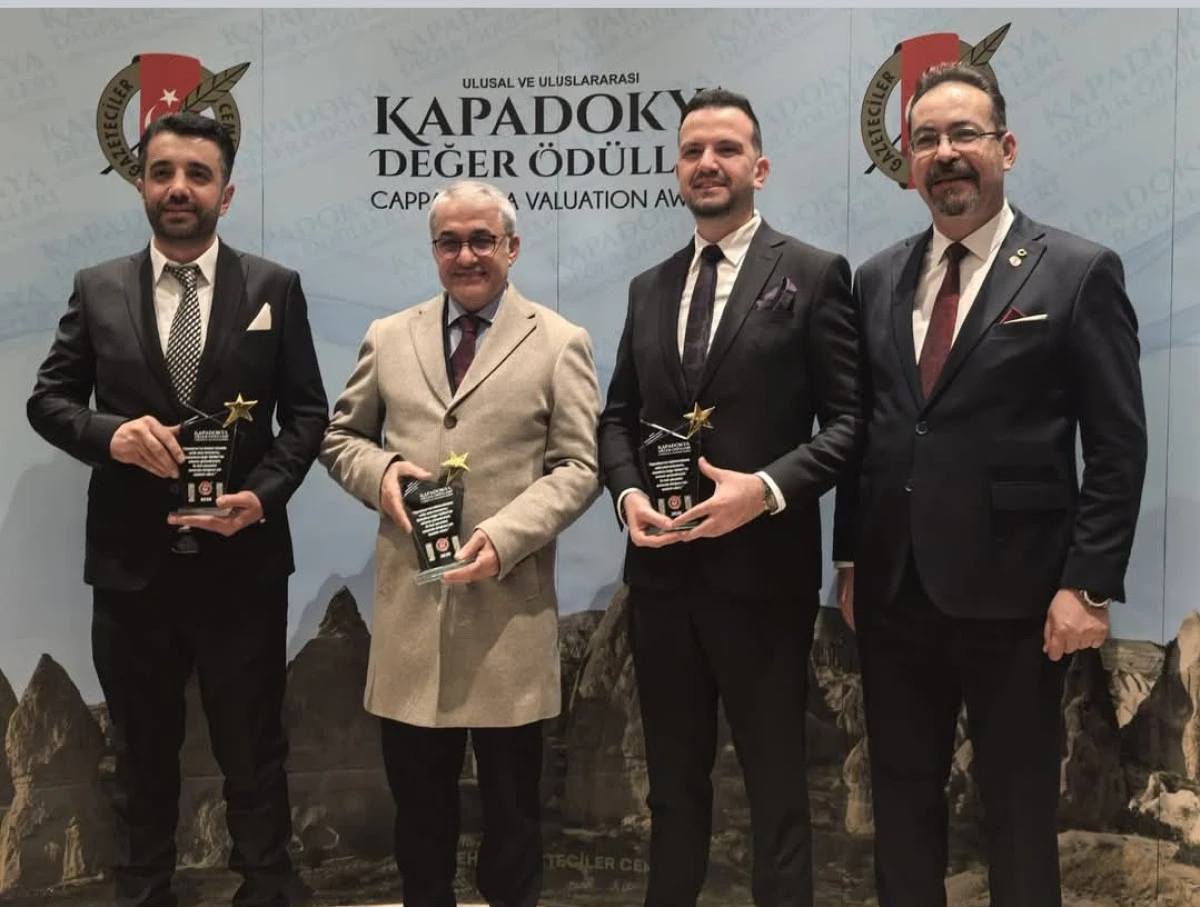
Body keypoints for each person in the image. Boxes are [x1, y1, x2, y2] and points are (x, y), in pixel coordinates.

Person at [833, 61, 1148, 907]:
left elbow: (1117, 443)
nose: (944, 152)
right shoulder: (876, 278)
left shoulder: (1076, 270)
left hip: (1020, 599)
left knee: (1016, 813)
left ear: (1005, 147)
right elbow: (869, 431)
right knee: (902, 808)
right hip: (895, 591)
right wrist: (850, 556)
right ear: (909, 163)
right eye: (925, 139)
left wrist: (1089, 582)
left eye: (963, 133)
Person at [26, 111, 328, 907]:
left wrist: (261, 496)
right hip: (131, 571)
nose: (179, 188)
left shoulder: (274, 287)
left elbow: (307, 416)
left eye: (198, 174)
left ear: (226, 193)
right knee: (139, 756)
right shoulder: (96, 288)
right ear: (141, 185)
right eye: (163, 172)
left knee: (255, 753)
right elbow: (48, 401)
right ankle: (143, 893)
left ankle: (266, 890)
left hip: (243, 566)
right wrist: (111, 434)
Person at [597, 88, 860, 907]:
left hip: (764, 581)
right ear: (677, 170)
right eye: (692, 151)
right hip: (660, 582)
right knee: (672, 792)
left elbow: (852, 423)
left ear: (760, 167)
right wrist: (627, 495)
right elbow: (616, 418)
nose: (707, 163)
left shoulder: (813, 274)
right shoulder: (648, 287)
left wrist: (768, 489)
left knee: (777, 793)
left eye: (726, 149)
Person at [319, 179, 600, 907]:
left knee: (512, 825)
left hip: (509, 620)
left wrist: (503, 538)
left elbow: (580, 467)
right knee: (420, 824)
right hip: (412, 627)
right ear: (433, 249)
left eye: (482, 240)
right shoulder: (388, 336)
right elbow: (341, 439)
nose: (466, 255)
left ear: (513, 247)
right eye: (450, 241)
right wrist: (383, 475)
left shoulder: (561, 341)